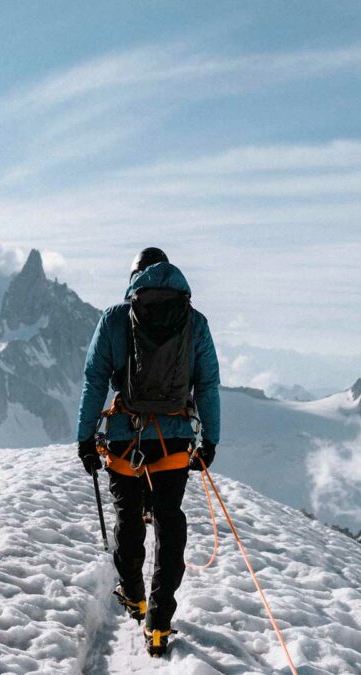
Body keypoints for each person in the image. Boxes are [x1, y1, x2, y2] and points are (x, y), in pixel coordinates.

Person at [76, 247, 221, 656]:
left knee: (127, 515)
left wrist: (85, 437)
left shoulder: (116, 318)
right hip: (172, 440)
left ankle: (134, 595)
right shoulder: (195, 322)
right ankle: (160, 621)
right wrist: (210, 439)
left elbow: (95, 380)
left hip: (125, 437)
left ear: (135, 278)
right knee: (169, 518)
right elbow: (207, 384)